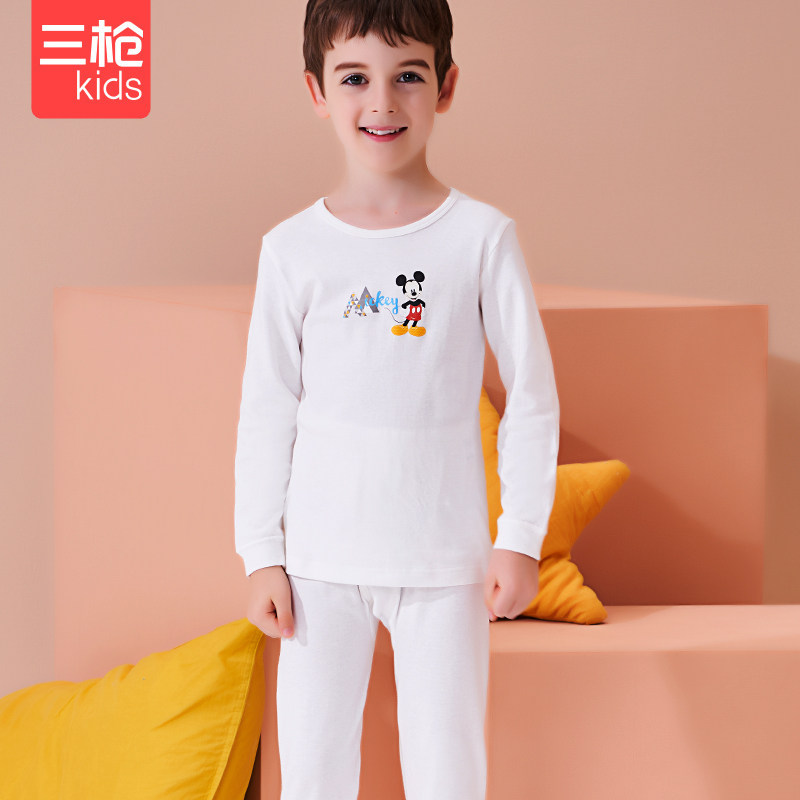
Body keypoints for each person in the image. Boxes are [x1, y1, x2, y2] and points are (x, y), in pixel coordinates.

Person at [234, 1, 560, 798]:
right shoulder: (291, 250)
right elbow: (267, 407)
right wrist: (261, 553)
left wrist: (520, 538)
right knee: (313, 773)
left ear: (445, 86)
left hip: (446, 561)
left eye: (407, 75)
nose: (381, 101)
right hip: (317, 566)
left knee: (450, 772)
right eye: (354, 78)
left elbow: (532, 392)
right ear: (316, 91)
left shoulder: (481, 237)